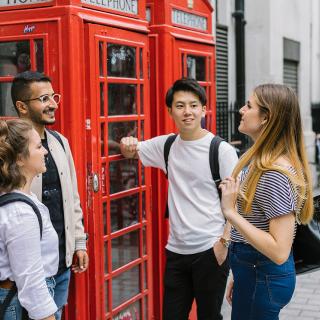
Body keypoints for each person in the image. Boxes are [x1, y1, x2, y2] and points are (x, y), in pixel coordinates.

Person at [120, 78, 238, 320]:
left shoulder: (221, 150)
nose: (188, 112)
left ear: (204, 109)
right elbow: (129, 150)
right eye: (181, 105)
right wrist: (126, 143)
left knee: (209, 317)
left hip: (210, 249)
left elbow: (238, 203)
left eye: (194, 105)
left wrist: (223, 244)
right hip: (176, 251)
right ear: (170, 110)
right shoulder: (166, 145)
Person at [219, 84, 314, 320]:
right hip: (253, 272)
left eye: (249, 105)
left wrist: (230, 212)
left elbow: (279, 250)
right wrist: (241, 277)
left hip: (262, 274)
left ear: (266, 118)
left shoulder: (274, 174)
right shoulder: (256, 159)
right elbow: (257, 224)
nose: (241, 109)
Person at [11, 71, 89, 320]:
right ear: (22, 106)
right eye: (44, 99)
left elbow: (72, 198)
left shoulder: (60, 142)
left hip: (62, 262)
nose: (53, 104)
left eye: (53, 96)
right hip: (27, 270)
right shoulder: (11, 151)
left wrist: (79, 243)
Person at [0, 119, 58, 320]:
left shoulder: (19, 198)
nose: (45, 152)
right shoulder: (20, 214)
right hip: (18, 305)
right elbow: (31, 283)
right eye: (39, 146)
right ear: (19, 159)